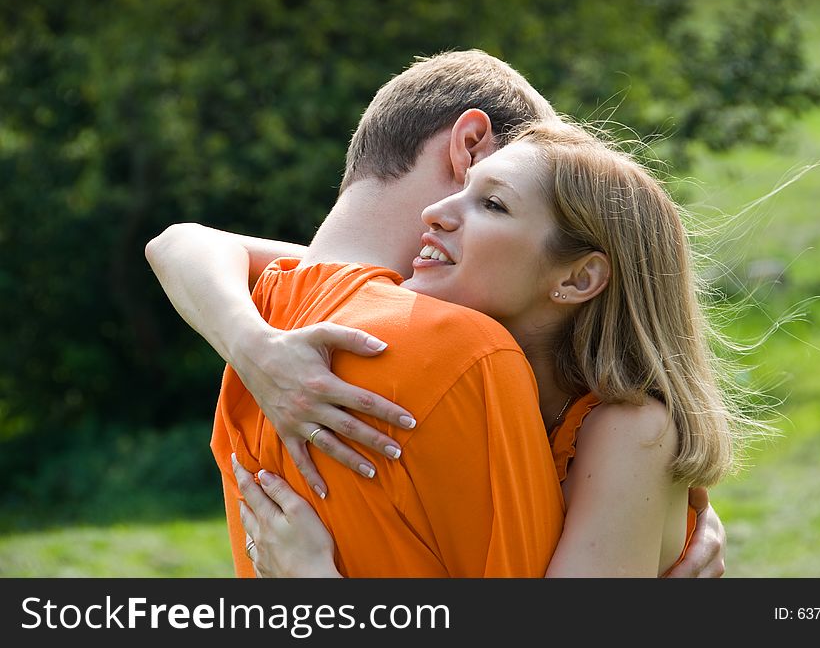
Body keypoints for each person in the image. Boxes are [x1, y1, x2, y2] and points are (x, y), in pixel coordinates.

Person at [146, 50, 726, 577]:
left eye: (493, 203)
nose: (436, 213)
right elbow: (182, 243)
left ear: (577, 279)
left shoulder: (631, 429)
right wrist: (255, 346)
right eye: (464, 189)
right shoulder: (412, 314)